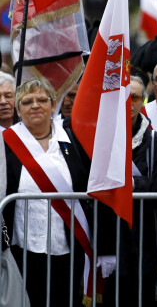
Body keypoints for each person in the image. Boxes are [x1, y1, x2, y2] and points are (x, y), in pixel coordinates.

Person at [2, 79, 115, 307]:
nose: (35, 105)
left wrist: (105, 246)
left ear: (53, 106)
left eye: (42, 100)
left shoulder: (74, 140)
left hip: (70, 247)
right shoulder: (5, 144)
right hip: (22, 248)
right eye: (27, 101)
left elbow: (98, 192)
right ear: (18, 109)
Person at [102, 76, 157, 307]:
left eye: (134, 97)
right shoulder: (97, 138)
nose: (128, 103)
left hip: (144, 238)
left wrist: (129, 184)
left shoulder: (155, 141)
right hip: (106, 234)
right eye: (122, 97)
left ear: (143, 101)